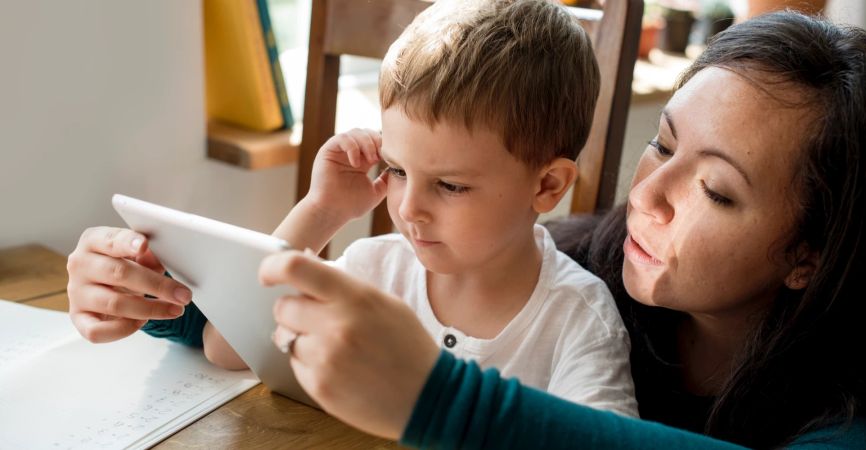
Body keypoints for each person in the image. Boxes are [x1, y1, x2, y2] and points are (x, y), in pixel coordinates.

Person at [262, 11, 866, 449]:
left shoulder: (855, 419)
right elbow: (250, 334)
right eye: (661, 143)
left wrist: (437, 397)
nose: (645, 194)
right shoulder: (571, 262)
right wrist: (179, 299)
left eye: (714, 190)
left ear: (808, 255)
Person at [66, 0, 638, 415]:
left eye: (451, 186)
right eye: (395, 170)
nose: (407, 208)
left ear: (547, 187)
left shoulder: (578, 317)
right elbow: (226, 347)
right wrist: (321, 211)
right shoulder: (376, 267)